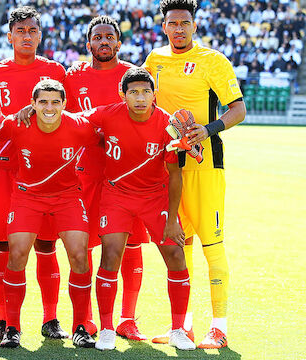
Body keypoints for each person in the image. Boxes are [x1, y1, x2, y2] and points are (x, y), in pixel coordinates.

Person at [143, 0, 246, 349]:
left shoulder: (213, 61)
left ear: (194, 25)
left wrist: (209, 128)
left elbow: (239, 109)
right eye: (172, 24)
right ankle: (182, 326)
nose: (179, 29)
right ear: (164, 27)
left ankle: (219, 327)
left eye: (185, 23)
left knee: (211, 245)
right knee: (178, 245)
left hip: (205, 166)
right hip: (168, 166)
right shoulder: (154, 61)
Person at [80, 68, 195, 351]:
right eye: (134, 92)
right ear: (123, 95)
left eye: (146, 92)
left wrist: (172, 221)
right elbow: (73, 120)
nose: (140, 98)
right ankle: (107, 329)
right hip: (116, 195)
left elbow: (175, 174)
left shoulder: (168, 124)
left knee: (176, 255)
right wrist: (33, 112)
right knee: (110, 256)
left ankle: (178, 330)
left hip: (155, 197)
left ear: (154, 94)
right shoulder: (107, 114)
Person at [0, 6, 67, 340]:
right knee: (3, 246)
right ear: (10, 35)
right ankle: (4, 319)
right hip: (4, 172)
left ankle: (50, 319)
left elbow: (66, 120)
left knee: (46, 246)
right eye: (21, 31)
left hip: (46, 174)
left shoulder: (56, 71)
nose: (27, 36)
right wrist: (15, 118)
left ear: (40, 35)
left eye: (32, 31)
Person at [0, 80, 97, 348]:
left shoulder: (80, 126)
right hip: (27, 196)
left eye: (55, 102)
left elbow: (108, 135)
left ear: (64, 104)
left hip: (67, 197)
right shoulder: (17, 124)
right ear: (33, 104)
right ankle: (12, 327)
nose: (49, 107)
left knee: (79, 255)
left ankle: (81, 326)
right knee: (16, 255)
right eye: (43, 102)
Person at [63, 15, 149, 341]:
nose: (103, 41)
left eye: (109, 36)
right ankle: (84, 321)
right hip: (84, 173)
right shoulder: (74, 77)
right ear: (88, 44)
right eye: (97, 36)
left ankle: (127, 318)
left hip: (127, 175)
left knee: (131, 245)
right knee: (82, 246)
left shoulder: (133, 76)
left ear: (118, 42)